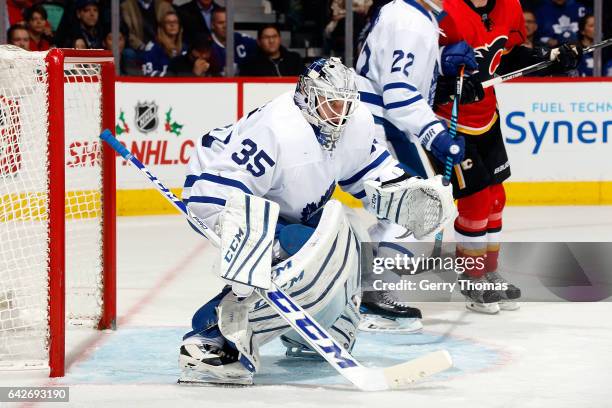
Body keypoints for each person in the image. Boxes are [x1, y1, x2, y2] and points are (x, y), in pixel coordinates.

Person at [178, 57, 454, 384]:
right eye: (331, 103)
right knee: (299, 254)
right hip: (219, 188)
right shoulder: (278, 128)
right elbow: (212, 194)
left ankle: (309, 332)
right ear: (308, 96)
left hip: (280, 201)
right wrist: (253, 255)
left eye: (345, 104)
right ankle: (211, 339)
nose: (340, 113)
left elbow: (376, 177)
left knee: (343, 251)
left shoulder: (353, 123)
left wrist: (411, 196)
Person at [435, 0, 582, 314]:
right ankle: (472, 276)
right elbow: (421, 63)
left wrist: (550, 59)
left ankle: (489, 270)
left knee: (496, 198)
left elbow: (508, 56)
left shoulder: (509, 6)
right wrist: (447, 82)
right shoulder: (442, 7)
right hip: (449, 119)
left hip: (487, 116)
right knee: (474, 201)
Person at [354, 0, 476, 331]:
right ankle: (371, 301)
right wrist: (435, 133)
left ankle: (364, 292)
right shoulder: (409, 20)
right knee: (418, 207)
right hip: (380, 124)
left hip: (376, 123)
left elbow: (400, 78)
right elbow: (398, 92)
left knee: (397, 212)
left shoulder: (413, 16)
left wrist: (441, 65)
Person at [238, 24, 304, 76]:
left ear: (280, 39)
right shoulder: (250, 64)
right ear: (259, 42)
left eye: (274, 36)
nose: (271, 41)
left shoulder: (295, 59)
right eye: (266, 37)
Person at [209, 7, 257, 75]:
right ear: (212, 25)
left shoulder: (245, 41)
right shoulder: (206, 44)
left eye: (228, 22)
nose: (225, 26)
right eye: (220, 23)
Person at [142, 11, 186, 77]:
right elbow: (148, 73)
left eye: (175, 22)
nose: (172, 25)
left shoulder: (184, 48)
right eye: (168, 22)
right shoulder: (153, 48)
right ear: (162, 26)